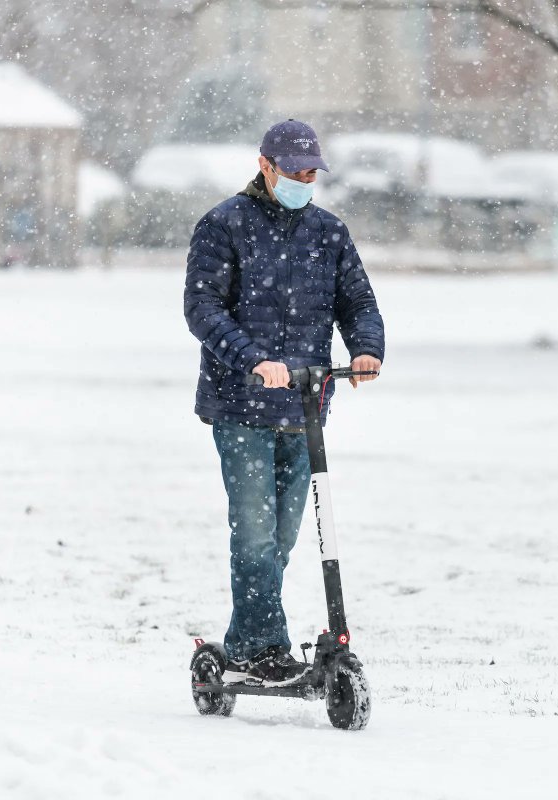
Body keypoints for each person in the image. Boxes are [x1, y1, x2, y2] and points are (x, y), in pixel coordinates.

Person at [184, 120, 385, 686]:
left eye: (311, 172)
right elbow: (203, 310)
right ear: (265, 165)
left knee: (285, 536)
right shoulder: (223, 226)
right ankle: (263, 647)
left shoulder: (328, 232)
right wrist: (252, 359)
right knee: (254, 532)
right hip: (240, 405)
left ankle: (248, 641)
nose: (304, 179)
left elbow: (358, 301)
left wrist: (366, 349)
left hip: (304, 409)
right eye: (294, 170)